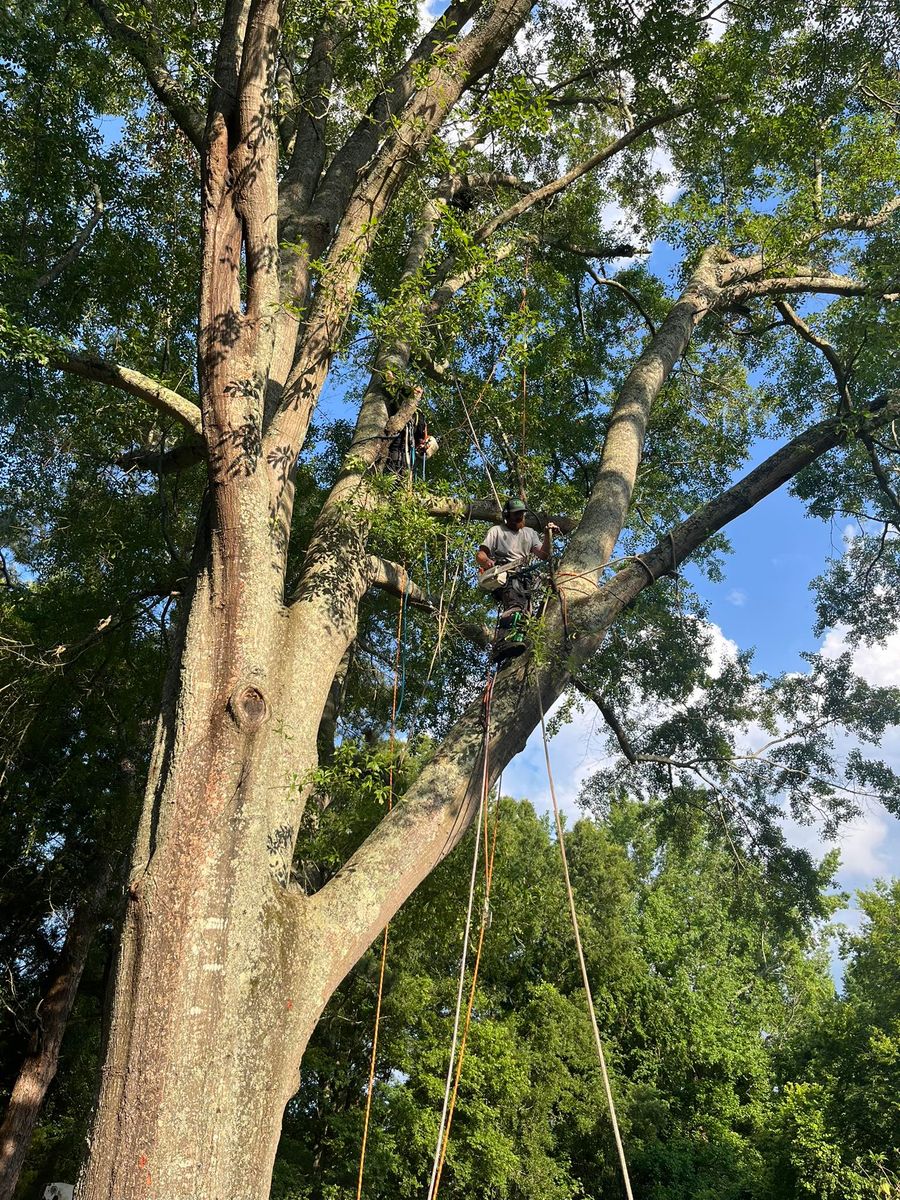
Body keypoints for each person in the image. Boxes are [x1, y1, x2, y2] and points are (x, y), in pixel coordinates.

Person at [476, 499, 557, 662]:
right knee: (515, 606)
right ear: (507, 515)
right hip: (506, 574)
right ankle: (501, 643)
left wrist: (548, 535)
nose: (520, 517)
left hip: (524, 577)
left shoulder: (530, 533)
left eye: (522, 514)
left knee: (526, 613)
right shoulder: (497, 531)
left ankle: (516, 642)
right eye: (516, 514)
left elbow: (543, 555)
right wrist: (488, 562)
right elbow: (481, 554)